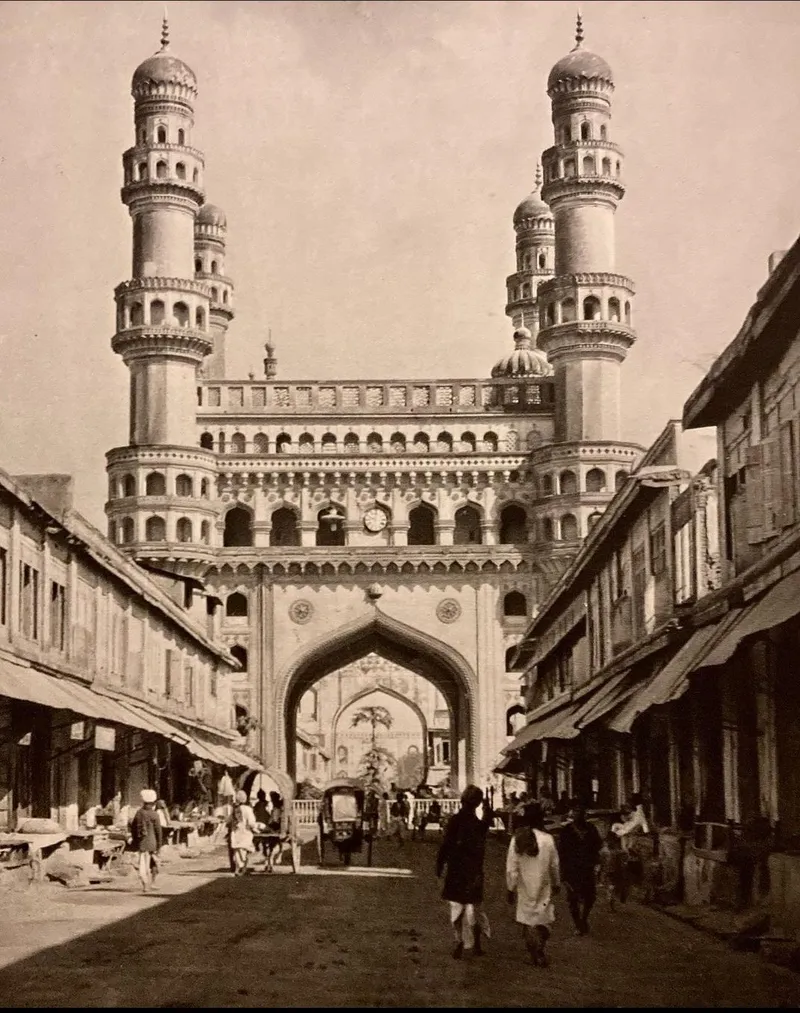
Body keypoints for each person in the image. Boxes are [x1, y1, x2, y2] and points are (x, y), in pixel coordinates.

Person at [436, 784, 493, 960]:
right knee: (474, 908)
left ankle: (459, 940)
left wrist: (440, 864)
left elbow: (445, 845)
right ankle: (475, 943)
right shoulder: (477, 824)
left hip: (456, 869)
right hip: (473, 870)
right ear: (476, 804)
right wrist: (487, 813)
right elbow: (482, 838)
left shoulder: (455, 820)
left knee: (457, 908)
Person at [506, 802, 560, 967]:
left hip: (524, 888)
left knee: (528, 922)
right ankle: (540, 949)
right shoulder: (548, 840)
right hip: (544, 887)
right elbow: (554, 865)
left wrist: (510, 888)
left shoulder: (518, 839)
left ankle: (534, 953)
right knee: (543, 921)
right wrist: (556, 882)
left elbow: (511, 868)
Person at [557, 802, 604, 935]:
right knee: (572, 898)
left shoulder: (591, 829)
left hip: (587, 868)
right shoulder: (567, 831)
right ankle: (578, 923)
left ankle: (584, 918)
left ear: (584, 814)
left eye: (579, 811)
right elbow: (562, 852)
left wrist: (597, 863)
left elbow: (597, 846)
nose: (576, 814)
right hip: (572, 869)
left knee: (590, 897)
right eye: (574, 811)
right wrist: (563, 871)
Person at [129, 788, 163, 893]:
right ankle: (151, 883)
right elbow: (159, 831)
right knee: (154, 863)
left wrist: (135, 841)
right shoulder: (154, 814)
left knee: (143, 865)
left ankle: (146, 884)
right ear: (153, 803)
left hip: (142, 843)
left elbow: (133, 828)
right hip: (153, 843)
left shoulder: (139, 813)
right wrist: (159, 845)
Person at [227, 789, 258, 876]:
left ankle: (238, 869)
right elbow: (251, 823)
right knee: (244, 852)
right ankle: (242, 869)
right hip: (245, 833)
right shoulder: (248, 809)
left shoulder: (234, 809)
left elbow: (228, 820)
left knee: (237, 852)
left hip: (236, 833)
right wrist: (256, 827)